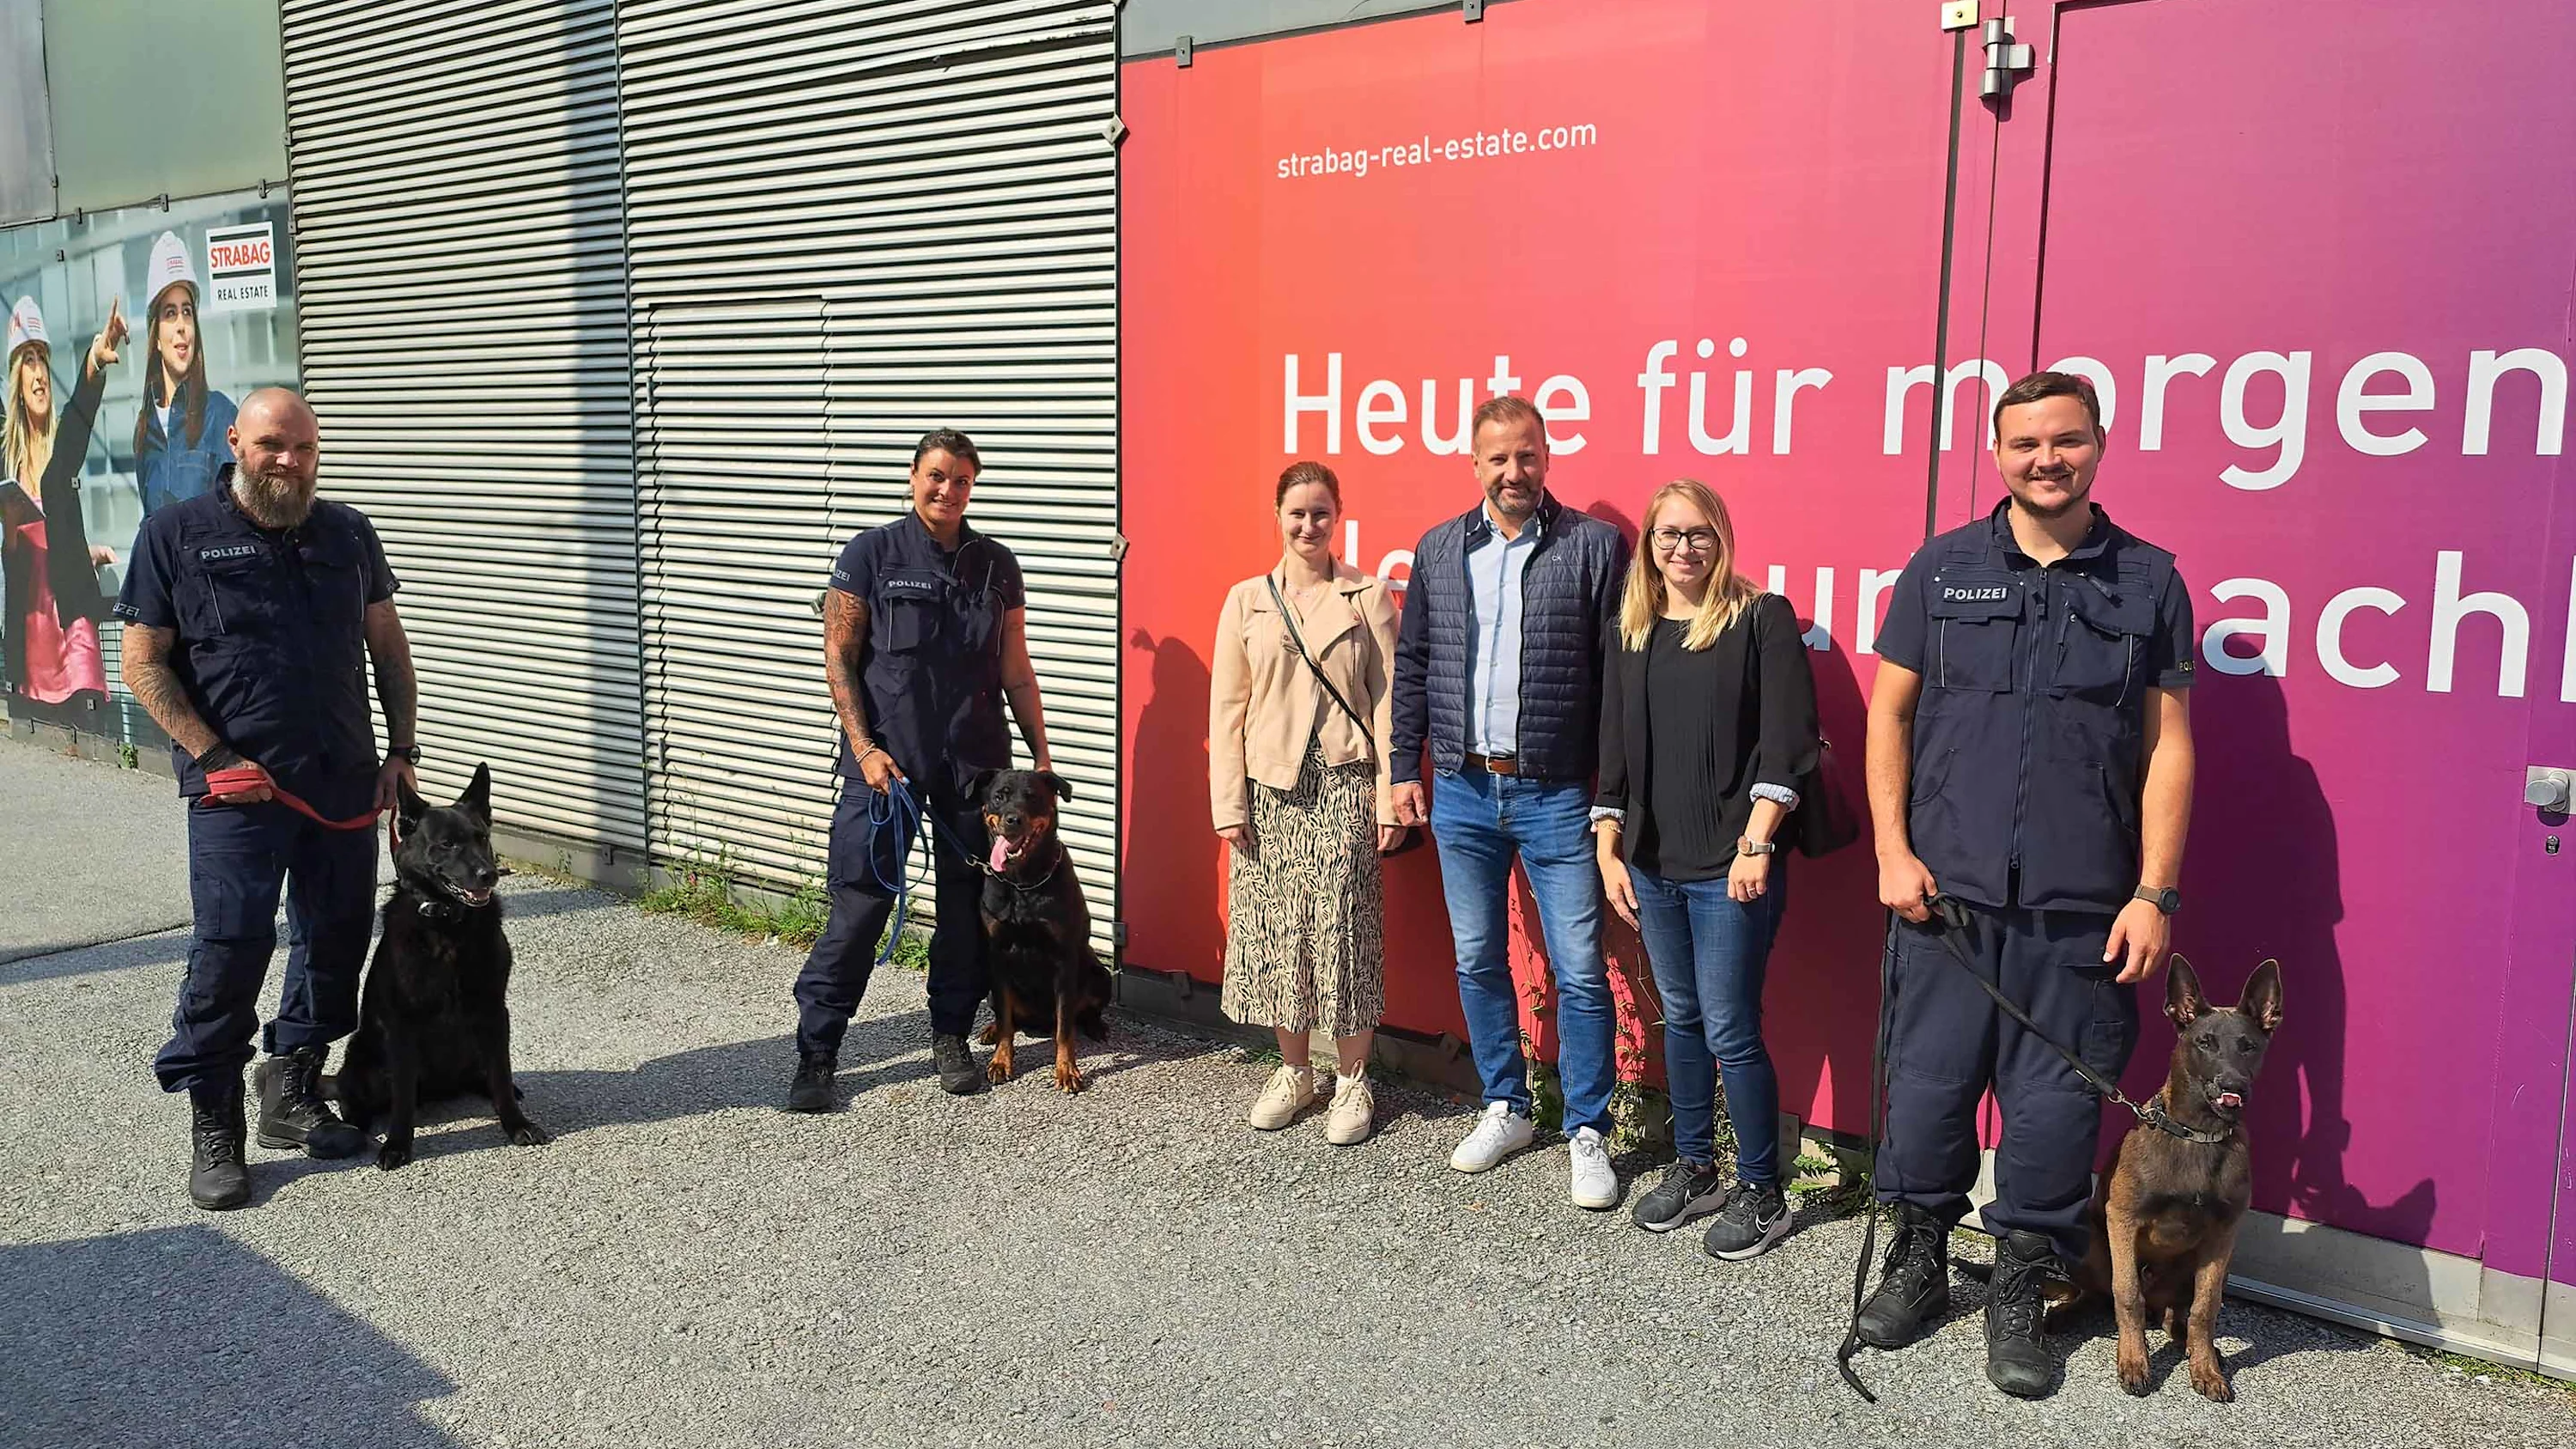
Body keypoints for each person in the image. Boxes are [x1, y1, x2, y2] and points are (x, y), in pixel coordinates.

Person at [1856, 371, 2196, 1397]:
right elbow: (1889, 715)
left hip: (2081, 911)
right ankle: (1919, 1258)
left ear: (2099, 444)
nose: (2047, 459)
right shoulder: (1943, 567)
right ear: (1997, 453)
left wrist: (2155, 892)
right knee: (1926, 1092)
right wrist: (1892, 851)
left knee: (2052, 1115)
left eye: (2067, 439)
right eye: (2026, 443)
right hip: (1944, 901)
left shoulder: (2149, 582)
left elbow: (2169, 747)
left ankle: (2020, 1288)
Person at [113, 388, 421, 1211]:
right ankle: (215, 1120)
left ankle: (292, 1085)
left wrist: (401, 753)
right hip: (235, 791)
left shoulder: (348, 533)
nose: (290, 461)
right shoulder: (174, 534)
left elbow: (388, 647)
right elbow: (142, 661)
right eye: (272, 445)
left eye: (305, 448)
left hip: (341, 779)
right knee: (231, 945)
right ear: (235, 442)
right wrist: (213, 755)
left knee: (336, 937)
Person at [1390, 395, 1630, 1209]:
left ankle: (1588, 1127)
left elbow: (1617, 677)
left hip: (1556, 793)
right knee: (1477, 957)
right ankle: (1506, 1104)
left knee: (1579, 969)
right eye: (1498, 458)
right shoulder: (1439, 547)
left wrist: (1611, 794)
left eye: (1526, 455)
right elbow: (1414, 663)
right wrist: (1404, 767)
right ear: (1475, 463)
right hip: (1461, 787)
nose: (1513, 471)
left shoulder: (1594, 547)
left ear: (1547, 456)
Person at [787, 428, 1053, 1109]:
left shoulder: (996, 566)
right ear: (913, 477)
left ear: (973, 487)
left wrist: (1040, 754)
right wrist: (864, 747)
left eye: (962, 479)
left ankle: (950, 1034)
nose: (948, 489)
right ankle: (818, 1051)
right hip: (888, 769)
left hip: (975, 771)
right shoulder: (870, 555)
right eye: (937, 475)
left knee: (967, 907)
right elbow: (839, 657)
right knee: (860, 906)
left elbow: (1015, 669)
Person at [1594, 478, 1818, 1259]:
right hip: (1653, 863)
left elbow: (1789, 740)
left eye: (1699, 533)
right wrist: (1608, 849)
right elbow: (1614, 749)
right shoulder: (1633, 628)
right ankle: (1696, 1168)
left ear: (1721, 539)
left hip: (1731, 867)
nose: (1683, 548)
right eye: (1668, 534)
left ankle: (1763, 1191)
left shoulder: (1761, 618)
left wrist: (1758, 842)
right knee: (1682, 1017)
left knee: (1729, 1026)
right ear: (1649, 544)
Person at [1208, 461, 1403, 1144]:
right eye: (1297, 512)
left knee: (1345, 928)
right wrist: (1228, 803)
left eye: (1321, 512)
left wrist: (1390, 798)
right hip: (1270, 788)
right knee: (1278, 931)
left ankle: (1352, 1078)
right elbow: (1226, 707)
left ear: (1338, 515)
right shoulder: (1246, 601)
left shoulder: (1368, 596)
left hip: (1346, 782)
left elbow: (1388, 703)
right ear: (1277, 516)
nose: (1309, 525)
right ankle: (1294, 1071)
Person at [3, 296, 123, 720]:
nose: (39, 375)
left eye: (42, 361)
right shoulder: (6, 461)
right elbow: (14, 564)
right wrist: (10, 530)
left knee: (89, 735)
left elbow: (79, 415)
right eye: (28, 362)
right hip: (32, 635)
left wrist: (95, 360)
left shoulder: (62, 447)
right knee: (41, 746)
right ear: (17, 379)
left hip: (73, 624)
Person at [131, 231, 240, 517]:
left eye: (187, 312)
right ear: (156, 337)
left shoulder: (221, 414)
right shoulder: (145, 428)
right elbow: (150, 522)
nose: (181, 325)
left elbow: (240, 520)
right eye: (170, 313)